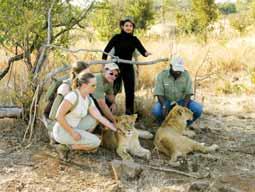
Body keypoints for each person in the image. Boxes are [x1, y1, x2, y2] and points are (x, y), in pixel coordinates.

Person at [53, 72, 117, 160]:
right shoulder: (73, 96)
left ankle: (83, 139)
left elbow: (99, 117)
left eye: (96, 85)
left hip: (74, 126)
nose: (95, 87)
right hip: (62, 130)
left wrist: (114, 128)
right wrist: (72, 132)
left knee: (93, 119)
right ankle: (65, 147)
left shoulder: (88, 99)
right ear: (84, 85)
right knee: (96, 142)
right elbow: (58, 116)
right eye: (93, 85)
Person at [102, 17, 151, 115]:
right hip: (116, 67)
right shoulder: (116, 37)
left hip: (128, 67)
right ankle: (107, 112)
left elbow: (142, 50)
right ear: (122, 27)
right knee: (113, 90)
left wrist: (146, 53)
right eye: (126, 26)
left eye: (131, 26)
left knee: (130, 92)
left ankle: (129, 115)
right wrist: (103, 65)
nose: (129, 28)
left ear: (133, 28)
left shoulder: (134, 39)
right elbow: (106, 51)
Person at [152, 56, 203, 126]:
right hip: (167, 101)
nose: (178, 72)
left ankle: (184, 126)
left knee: (198, 109)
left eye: (180, 69)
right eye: (176, 69)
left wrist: (183, 108)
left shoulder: (186, 75)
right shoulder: (162, 75)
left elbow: (188, 93)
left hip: (182, 101)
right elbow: (159, 93)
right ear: (171, 66)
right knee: (156, 110)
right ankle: (164, 125)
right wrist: (164, 106)